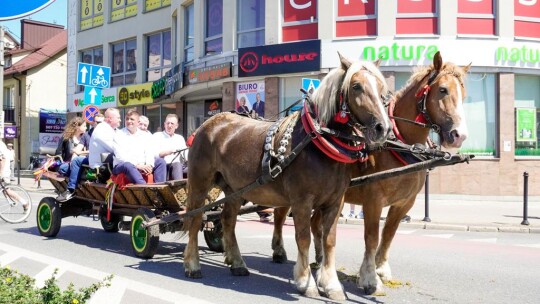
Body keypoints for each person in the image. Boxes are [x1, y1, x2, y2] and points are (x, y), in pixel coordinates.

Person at [57, 108, 121, 202]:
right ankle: (71, 189)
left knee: (75, 161)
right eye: (118, 117)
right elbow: (114, 148)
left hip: (106, 164)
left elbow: (117, 149)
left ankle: (71, 189)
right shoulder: (102, 130)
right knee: (74, 161)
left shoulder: (112, 130)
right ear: (109, 119)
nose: (120, 120)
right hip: (100, 165)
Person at [113, 109, 166, 184]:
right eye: (127, 119)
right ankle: (144, 188)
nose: (129, 121)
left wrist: (149, 164)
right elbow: (121, 157)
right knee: (128, 165)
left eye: (132, 119)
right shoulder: (119, 135)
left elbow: (149, 152)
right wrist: (138, 166)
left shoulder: (145, 135)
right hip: (122, 165)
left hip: (142, 164)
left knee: (161, 162)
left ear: (138, 122)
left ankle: (159, 188)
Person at [152, 114, 188, 180]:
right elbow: (154, 155)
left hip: (181, 166)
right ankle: (178, 189)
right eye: (167, 123)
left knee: (197, 169)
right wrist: (166, 153)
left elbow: (185, 154)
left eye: (172, 123)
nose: (169, 125)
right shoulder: (157, 136)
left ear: (176, 126)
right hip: (165, 166)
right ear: (164, 124)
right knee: (177, 164)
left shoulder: (180, 138)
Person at [0, 140, 28, 210]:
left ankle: (24, 202)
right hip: (3, 170)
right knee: (5, 190)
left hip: (4, 171)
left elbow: (2, 159)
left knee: (7, 190)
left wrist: (1, 173)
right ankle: (16, 201)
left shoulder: (0, 145)